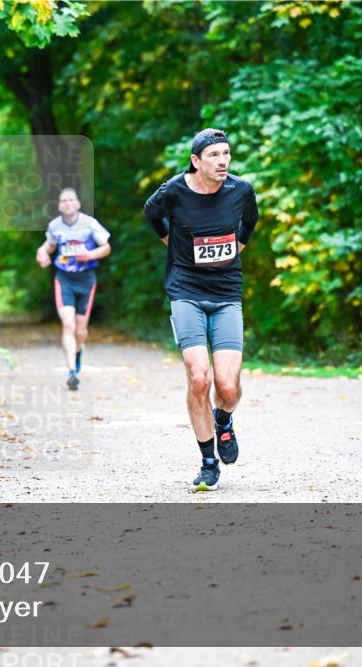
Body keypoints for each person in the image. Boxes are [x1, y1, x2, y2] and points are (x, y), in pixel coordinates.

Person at [142, 128, 259, 491]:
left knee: (227, 386)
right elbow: (151, 214)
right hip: (186, 290)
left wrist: (237, 245)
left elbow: (250, 222)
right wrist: (171, 241)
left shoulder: (241, 190)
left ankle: (224, 421)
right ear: (196, 161)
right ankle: (208, 462)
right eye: (213, 155)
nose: (222, 161)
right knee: (199, 378)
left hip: (226, 294)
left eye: (226, 153)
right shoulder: (175, 190)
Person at [35, 188, 111, 391]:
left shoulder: (89, 223)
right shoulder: (55, 226)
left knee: (80, 330)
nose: (68, 203)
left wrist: (91, 255)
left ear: (77, 204)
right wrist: (41, 252)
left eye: (71, 200)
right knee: (67, 324)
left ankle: (77, 353)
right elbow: (48, 246)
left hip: (86, 279)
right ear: (59, 206)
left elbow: (106, 247)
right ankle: (71, 372)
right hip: (64, 279)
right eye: (64, 201)